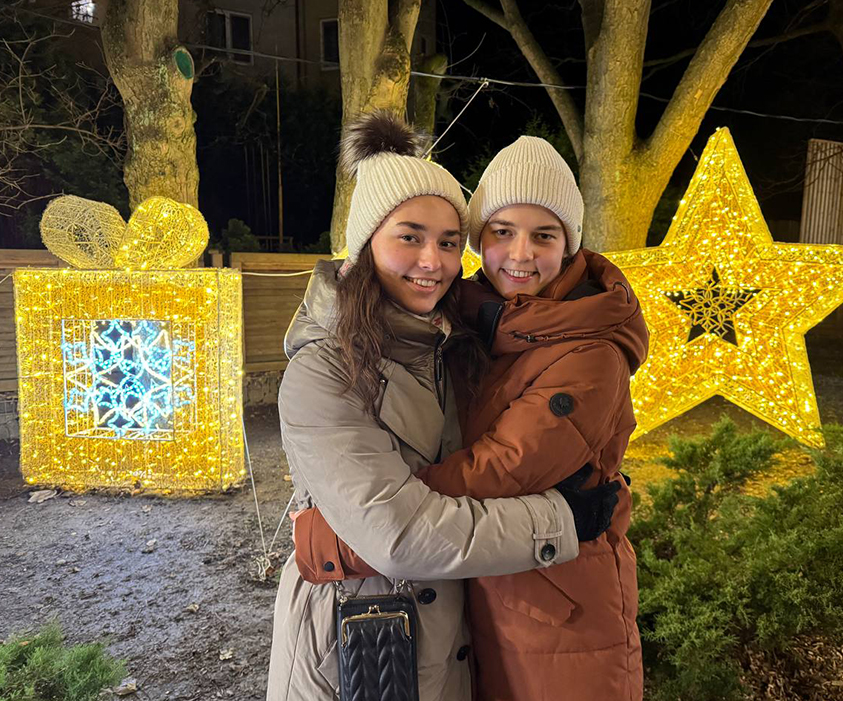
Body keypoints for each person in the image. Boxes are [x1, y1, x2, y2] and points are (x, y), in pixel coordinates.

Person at [266, 114, 622, 701]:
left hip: (449, 645)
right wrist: (560, 521)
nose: (432, 261)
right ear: (365, 243)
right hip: (357, 650)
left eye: (449, 242)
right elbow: (399, 535)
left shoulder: (456, 346)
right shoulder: (323, 371)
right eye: (409, 237)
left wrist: (340, 538)